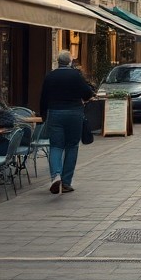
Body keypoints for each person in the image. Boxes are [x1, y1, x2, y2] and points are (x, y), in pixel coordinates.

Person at [38, 50, 94, 194]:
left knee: (56, 146)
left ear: (58, 61)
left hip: (55, 112)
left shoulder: (50, 76)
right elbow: (88, 93)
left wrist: (43, 115)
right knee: (72, 146)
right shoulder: (76, 75)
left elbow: (43, 97)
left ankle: (56, 176)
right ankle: (66, 182)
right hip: (74, 113)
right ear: (70, 62)